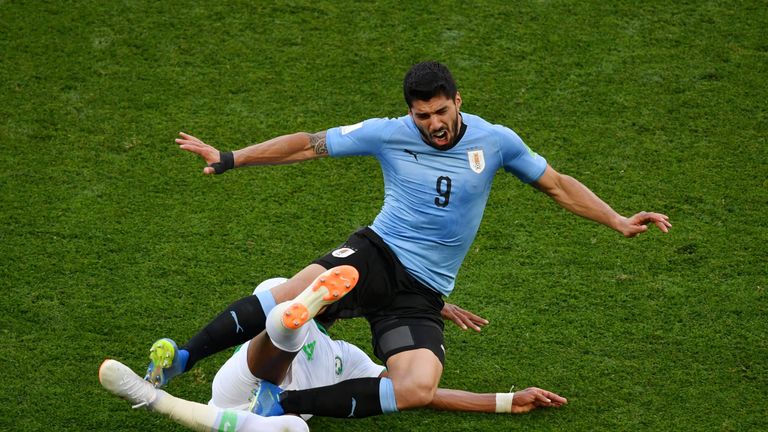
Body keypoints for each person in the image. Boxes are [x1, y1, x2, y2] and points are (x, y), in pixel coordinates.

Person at [149, 61, 670, 418]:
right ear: (411, 112)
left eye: (442, 112)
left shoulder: (496, 142)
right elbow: (308, 146)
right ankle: (183, 358)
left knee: (416, 387)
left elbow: (557, 186)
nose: (435, 125)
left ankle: (279, 406)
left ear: (458, 101)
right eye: (423, 116)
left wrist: (617, 219)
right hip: (376, 254)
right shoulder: (389, 132)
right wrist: (233, 156)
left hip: (421, 294)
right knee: (290, 295)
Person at [99, 276, 566, 432]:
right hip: (252, 376)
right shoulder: (346, 353)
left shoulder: (352, 355)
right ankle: (295, 317)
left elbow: (418, 392)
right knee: (283, 317)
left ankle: (156, 393)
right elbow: (422, 392)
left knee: (292, 430)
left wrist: (506, 400)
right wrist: (503, 401)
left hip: (243, 410)